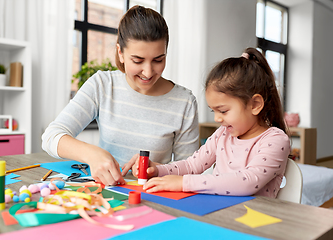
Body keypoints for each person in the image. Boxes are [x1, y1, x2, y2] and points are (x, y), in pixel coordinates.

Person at [41, 5, 199, 186]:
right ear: (120, 53)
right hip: (105, 195)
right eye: (137, 60)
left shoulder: (184, 102)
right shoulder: (102, 84)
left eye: (158, 60)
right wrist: (92, 154)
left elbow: (190, 170)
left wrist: (159, 169)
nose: (147, 72)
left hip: (153, 199)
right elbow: (51, 137)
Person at [137, 48, 291, 198]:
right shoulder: (223, 134)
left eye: (223, 111)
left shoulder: (275, 140)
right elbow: (192, 165)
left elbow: (248, 182)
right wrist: (158, 170)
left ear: (255, 104)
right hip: (217, 214)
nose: (217, 119)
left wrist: (184, 183)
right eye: (214, 111)